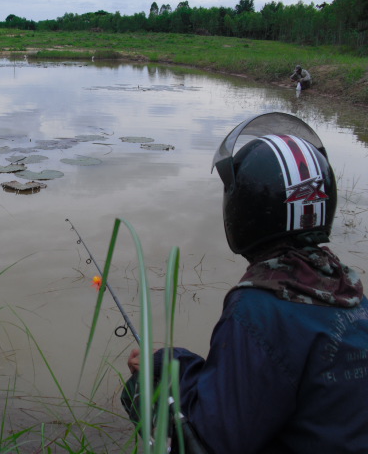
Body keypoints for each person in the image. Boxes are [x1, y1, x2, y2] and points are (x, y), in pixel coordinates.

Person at [122, 112, 367, 453]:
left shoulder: (259, 308)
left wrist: (152, 380)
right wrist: (173, 363)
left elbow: (211, 440)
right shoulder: (350, 295)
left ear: (245, 207)